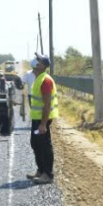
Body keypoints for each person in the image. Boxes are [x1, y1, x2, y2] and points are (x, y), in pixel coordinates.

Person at [27, 56, 58, 185]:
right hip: (37, 118)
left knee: (44, 145)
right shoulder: (38, 78)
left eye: (38, 60)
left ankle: (48, 174)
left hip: (42, 119)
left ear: (42, 65)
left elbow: (47, 105)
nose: (35, 61)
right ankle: (40, 170)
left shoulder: (45, 80)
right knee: (35, 143)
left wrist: (43, 124)